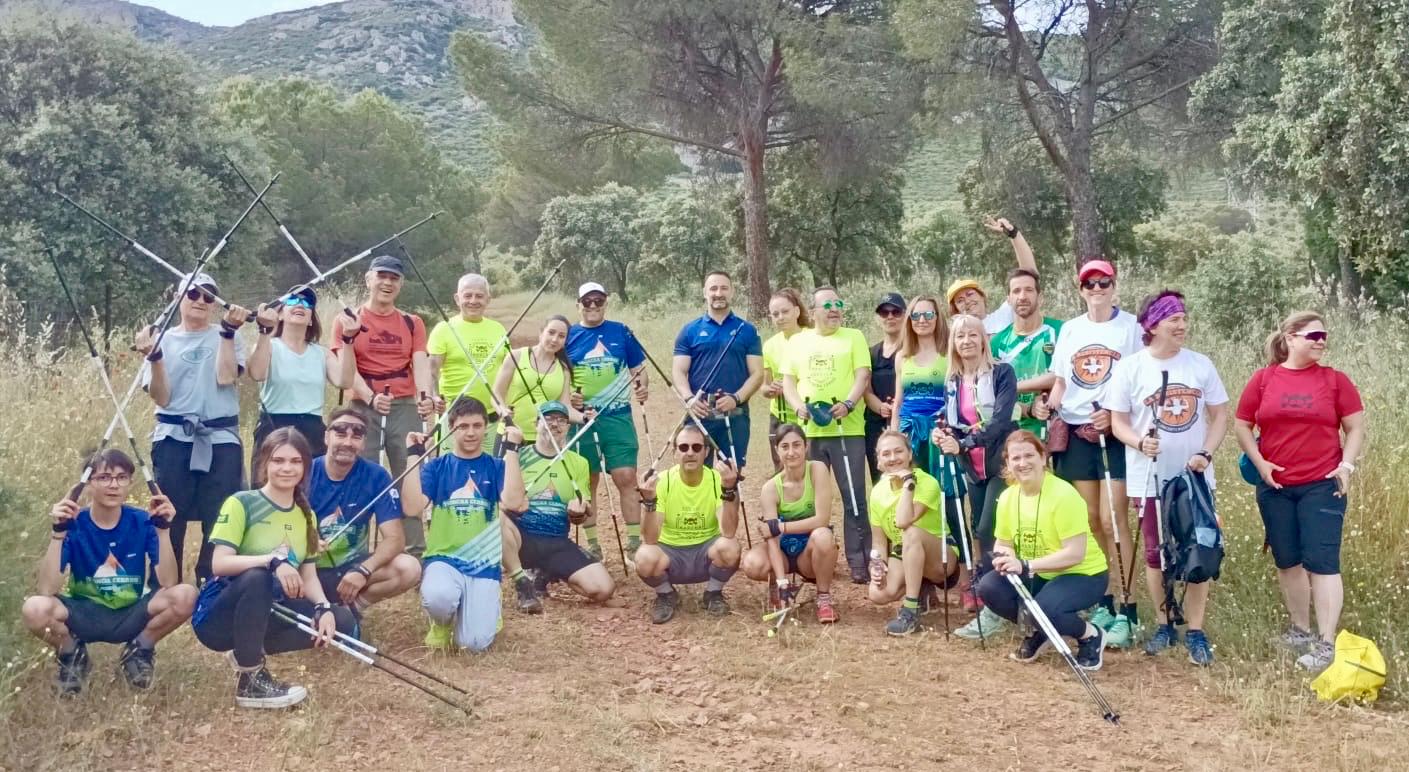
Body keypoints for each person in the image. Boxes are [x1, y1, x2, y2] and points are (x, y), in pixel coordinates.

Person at [1234, 311, 1365, 673]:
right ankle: (1300, 631)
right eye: (1313, 335)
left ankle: (1325, 643)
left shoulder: (1335, 381)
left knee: (1322, 563)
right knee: (1288, 560)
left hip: (1323, 485)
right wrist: (1260, 463)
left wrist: (1347, 466)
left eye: (1324, 336)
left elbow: (1355, 427)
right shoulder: (1263, 379)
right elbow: (1242, 424)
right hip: (1275, 487)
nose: (1321, 341)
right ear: (1290, 337)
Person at [191, 429, 358, 709]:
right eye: (278, 460)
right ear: (264, 463)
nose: (286, 468)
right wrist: (271, 560)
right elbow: (219, 563)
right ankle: (251, 680)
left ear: (305, 466)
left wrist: (322, 607)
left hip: (269, 609)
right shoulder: (242, 503)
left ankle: (246, 650)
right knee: (258, 578)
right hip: (217, 616)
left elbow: (308, 574)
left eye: (295, 461)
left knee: (340, 621)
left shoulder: (307, 515)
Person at [1108, 290, 1229, 666]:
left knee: (1198, 548)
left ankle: (1195, 629)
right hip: (1149, 477)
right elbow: (1118, 423)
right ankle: (1164, 623)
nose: (1182, 325)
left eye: (1184, 317)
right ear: (1153, 324)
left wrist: (1205, 453)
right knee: (1156, 552)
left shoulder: (1200, 365)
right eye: (1174, 318)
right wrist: (1140, 442)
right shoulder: (1131, 368)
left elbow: (1221, 416)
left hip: (1193, 477)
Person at [22, 450, 196, 695]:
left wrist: (164, 531)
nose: (114, 485)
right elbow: (47, 589)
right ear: (88, 484)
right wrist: (58, 532)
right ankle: (72, 654)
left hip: (130, 613)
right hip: (84, 614)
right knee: (34, 608)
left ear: (130, 483)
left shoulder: (142, 521)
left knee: (186, 594)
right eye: (104, 477)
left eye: (121, 477)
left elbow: (169, 581)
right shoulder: (75, 522)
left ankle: (139, 651)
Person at [1032, 259, 1143, 647]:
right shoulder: (1072, 330)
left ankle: (1129, 608)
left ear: (1114, 285)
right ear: (1080, 289)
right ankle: (1105, 599)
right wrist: (1049, 406)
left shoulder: (1131, 327)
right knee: (1092, 520)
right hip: (1077, 433)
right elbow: (1062, 379)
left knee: (1116, 522)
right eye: (1089, 284)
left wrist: (1114, 417)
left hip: (1113, 433)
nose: (1097, 289)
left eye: (1104, 282)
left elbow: (1138, 377)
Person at [134, 271, 251, 582]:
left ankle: (212, 581)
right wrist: (155, 358)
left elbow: (227, 377)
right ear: (178, 297)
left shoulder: (231, 335)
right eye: (193, 294)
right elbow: (161, 397)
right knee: (171, 514)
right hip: (174, 437)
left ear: (214, 303)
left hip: (221, 438)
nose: (200, 301)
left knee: (221, 515)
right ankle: (163, 585)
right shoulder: (162, 340)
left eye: (208, 296)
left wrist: (227, 333)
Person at [401, 397, 527, 652]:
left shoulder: (496, 466)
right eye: (463, 426)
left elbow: (513, 501)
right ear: (451, 428)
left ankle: (487, 609)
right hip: (444, 559)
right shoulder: (437, 467)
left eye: (477, 426)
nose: (471, 432)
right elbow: (412, 508)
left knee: (473, 644)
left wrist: (512, 449)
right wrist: (412, 455)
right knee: (439, 598)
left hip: (483, 564)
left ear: (486, 428)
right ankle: (442, 622)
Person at [978, 431, 1109, 671]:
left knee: (1045, 608)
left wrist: (1026, 565)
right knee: (989, 587)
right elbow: (1003, 542)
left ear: (1043, 458)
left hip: (1083, 573)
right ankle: (1042, 629)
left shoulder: (1064, 495)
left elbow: (1075, 554)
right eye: (1015, 458)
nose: (1023, 463)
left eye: (1029, 455)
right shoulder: (1008, 497)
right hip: (1039, 572)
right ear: (1007, 463)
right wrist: (1003, 556)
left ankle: (1090, 635)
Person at [332, 254, 435, 551]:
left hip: (403, 406)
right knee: (360, 473)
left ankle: (414, 551)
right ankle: (354, 548)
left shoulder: (412, 323)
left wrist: (424, 397)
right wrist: (371, 397)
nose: (387, 283)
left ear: (400, 284)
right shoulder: (348, 321)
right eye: (382, 276)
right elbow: (345, 369)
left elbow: (419, 362)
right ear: (369, 279)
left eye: (394, 278)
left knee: (409, 473)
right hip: (363, 408)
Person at [933, 314, 1018, 638]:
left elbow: (1000, 420)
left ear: (983, 339)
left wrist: (964, 441)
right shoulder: (953, 380)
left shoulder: (1001, 372)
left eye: (972, 335)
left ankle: (998, 600)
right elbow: (953, 421)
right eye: (959, 337)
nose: (966, 341)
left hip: (1000, 462)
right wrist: (944, 435)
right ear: (953, 344)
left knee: (987, 528)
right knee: (976, 528)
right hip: (973, 466)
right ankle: (992, 601)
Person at [782, 286, 872, 584]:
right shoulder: (798, 340)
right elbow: (789, 382)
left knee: (854, 497)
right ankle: (812, 558)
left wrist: (848, 403)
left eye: (838, 304)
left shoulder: (854, 337)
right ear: (814, 309)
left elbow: (862, 375)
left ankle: (860, 561)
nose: (834, 309)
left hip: (847, 429)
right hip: (810, 433)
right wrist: (798, 408)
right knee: (809, 497)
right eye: (828, 305)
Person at [308, 407, 422, 616]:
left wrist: (363, 569)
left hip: (351, 569)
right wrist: (306, 542)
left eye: (356, 435)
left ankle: (352, 611)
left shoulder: (376, 475)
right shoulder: (305, 472)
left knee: (409, 567)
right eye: (340, 434)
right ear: (326, 436)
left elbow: (395, 539)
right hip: (308, 569)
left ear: (363, 443)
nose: (348, 442)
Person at [502, 401, 615, 609]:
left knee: (603, 589)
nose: (555, 424)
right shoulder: (518, 456)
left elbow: (584, 513)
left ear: (568, 428)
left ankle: (547, 572)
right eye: (549, 419)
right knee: (497, 518)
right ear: (536, 424)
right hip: (522, 538)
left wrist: (578, 512)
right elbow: (501, 501)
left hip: (557, 540)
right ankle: (522, 579)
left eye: (562, 420)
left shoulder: (579, 463)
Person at [566, 282, 649, 558]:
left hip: (618, 415)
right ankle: (592, 545)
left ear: (605, 302)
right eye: (587, 301)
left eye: (598, 301)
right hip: (583, 418)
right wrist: (570, 400)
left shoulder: (621, 331)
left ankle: (635, 542)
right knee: (587, 478)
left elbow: (638, 368)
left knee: (625, 475)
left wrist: (642, 385)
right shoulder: (569, 336)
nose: (592, 306)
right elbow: (560, 376)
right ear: (578, 303)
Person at [633, 423, 742, 623]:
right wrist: (649, 501)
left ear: (706, 452)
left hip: (705, 552)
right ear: (674, 452)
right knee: (644, 557)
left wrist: (729, 489)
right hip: (671, 553)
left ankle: (713, 593)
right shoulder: (663, 481)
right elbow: (650, 538)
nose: (690, 453)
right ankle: (666, 595)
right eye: (683, 447)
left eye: (696, 447)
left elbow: (728, 531)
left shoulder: (717, 479)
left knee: (730, 546)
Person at [739, 423, 839, 623]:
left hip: (808, 553)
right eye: (785, 447)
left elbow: (822, 519)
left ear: (806, 446)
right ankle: (778, 586)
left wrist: (780, 526)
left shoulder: (817, 470)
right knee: (752, 563)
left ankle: (824, 598)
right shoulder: (770, 488)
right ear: (777, 450)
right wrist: (782, 579)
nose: (791, 452)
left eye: (796, 445)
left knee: (824, 536)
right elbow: (772, 539)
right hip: (782, 552)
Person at [866, 430, 959, 636]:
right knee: (877, 593)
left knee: (911, 533)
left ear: (909, 454)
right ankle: (921, 589)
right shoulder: (877, 492)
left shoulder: (927, 482)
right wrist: (878, 564)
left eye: (898, 451)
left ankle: (910, 610)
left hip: (940, 557)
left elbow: (902, 521)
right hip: (904, 553)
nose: (893, 458)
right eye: (886, 454)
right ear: (879, 461)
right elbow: (879, 541)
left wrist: (908, 483)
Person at [249, 285, 355, 459]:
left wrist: (349, 340)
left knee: (311, 484)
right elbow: (257, 373)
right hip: (274, 426)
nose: (300, 304)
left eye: (307, 303)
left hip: (313, 430)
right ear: (281, 314)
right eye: (293, 299)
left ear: (311, 319)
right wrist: (264, 331)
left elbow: (345, 381)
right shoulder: (269, 346)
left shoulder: (322, 353)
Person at [672, 270, 764, 466]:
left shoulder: (747, 330)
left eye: (724, 288)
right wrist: (689, 399)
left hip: (735, 414)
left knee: (731, 478)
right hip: (699, 413)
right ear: (705, 292)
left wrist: (736, 398)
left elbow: (757, 374)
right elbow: (678, 372)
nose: (718, 293)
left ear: (732, 292)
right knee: (695, 476)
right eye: (713, 288)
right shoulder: (689, 331)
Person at [427, 273, 508, 453]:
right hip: (456, 418)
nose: (473, 301)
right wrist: (434, 396)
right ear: (457, 299)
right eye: (468, 295)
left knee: (489, 473)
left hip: (491, 418)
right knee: (453, 472)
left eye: (479, 296)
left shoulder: (498, 329)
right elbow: (432, 370)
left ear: (488, 299)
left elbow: (507, 371)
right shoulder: (443, 329)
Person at [494, 315, 584, 450]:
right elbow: (496, 394)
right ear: (541, 332)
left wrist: (585, 418)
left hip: (545, 438)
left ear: (565, 341)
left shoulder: (564, 369)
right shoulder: (516, 356)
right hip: (511, 432)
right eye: (551, 332)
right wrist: (502, 411)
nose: (555, 339)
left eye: (561, 336)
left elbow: (565, 407)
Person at [989, 269, 1061, 437]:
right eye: (1016, 291)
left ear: (1040, 297)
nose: (1022, 296)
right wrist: (1028, 409)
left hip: (1057, 432)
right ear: (1008, 299)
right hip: (1013, 436)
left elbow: (1062, 376)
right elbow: (992, 395)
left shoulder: (1060, 330)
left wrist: (1013, 387)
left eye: (1028, 290)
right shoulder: (997, 343)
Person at [945, 215, 1039, 335]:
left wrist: (1014, 234)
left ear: (983, 297)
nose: (967, 301)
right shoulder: (957, 335)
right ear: (955, 309)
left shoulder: (1003, 316)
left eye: (970, 294)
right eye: (960, 300)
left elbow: (1029, 275)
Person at [890, 294, 951, 477]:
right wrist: (894, 435)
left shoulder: (949, 354)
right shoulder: (902, 356)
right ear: (909, 320)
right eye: (916, 316)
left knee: (943, 486)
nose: (922, 320)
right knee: (912, 483)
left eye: (928, 315)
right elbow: (898, 402)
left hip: (939, 429)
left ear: (937, 318)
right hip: (908, 430)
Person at [762, 287, 812, 472]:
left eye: (785, 311)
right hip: (780, 417)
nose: (781, 317)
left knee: (808, 470)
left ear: (797, 311)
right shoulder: (769, 345)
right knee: (782, 470)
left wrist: (792, 386)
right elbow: (764, 386)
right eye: (775, 314)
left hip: (808, 416)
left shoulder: (813, 338)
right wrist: (770, 389)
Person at [863, 292, 906, 480]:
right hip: (875, 424)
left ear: (905, 315)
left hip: (905, 421)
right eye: (884, 312)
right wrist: (879, 407)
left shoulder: (912, 350)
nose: (890, 317)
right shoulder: (870, 353)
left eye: (895, 312)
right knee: (880, 478)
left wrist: (897, 408)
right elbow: (865, 388)